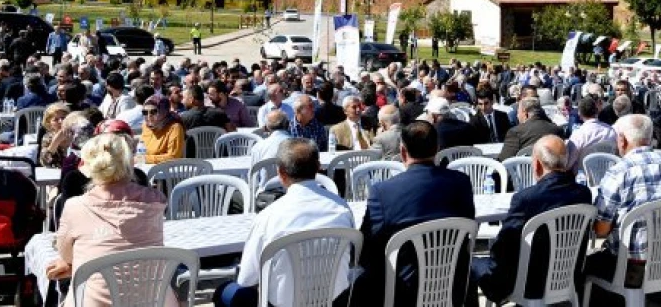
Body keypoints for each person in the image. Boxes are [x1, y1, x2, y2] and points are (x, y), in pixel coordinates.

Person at [215, 139, 355, 307]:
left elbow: (246, 278)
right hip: (334, 301)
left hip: (280, 304)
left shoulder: (269, 216)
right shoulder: (342, 209)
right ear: (318, 167)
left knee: (224, 292)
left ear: (281, 173)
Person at [352, 120, 475, 307]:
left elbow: (366, 250)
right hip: (453, 287)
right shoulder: (461, 182)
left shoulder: (383, 192)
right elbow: (467, 227)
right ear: (437, 148)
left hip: (401, 293)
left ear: (402, 152)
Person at [46, 133, 169, 307]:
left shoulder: (75, 207)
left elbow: (66, 255)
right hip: (152, 301)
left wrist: (76, 266)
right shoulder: (156, 199)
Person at [471, 135, 592, 303]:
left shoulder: (525, 199)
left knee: (468, 263)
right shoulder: (583, 194)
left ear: (536, 165)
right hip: (568, 275)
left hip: (529, 283)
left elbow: (504, 247)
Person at [588, 114, 661, 288]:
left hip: (629, 268)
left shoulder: (619, 172)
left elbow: (601, 230)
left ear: (622, 140)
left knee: (582, 265)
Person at [139, 97, 186, 164]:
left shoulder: (175, 128)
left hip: (167, 169)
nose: (149, 116)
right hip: (146, 166)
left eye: (153, 112)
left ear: (164, 111)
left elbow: (174, 157)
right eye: (145, 112)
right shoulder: (145, 126)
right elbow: (142, 150)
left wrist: (145, 159)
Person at [39, 102, 72, 168]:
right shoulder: (48, 137)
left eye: (63, 118)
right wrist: (56, 141)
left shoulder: (75, 134)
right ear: (49, 123)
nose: (61, 121)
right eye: (56, 119)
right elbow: (44, 162)